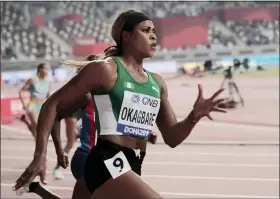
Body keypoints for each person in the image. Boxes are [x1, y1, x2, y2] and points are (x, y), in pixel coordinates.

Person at [14, 10, 226, 199]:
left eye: (154, 31)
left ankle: (35, 189)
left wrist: (193, 118)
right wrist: (40, 155)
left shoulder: (157, 83)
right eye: (145, 30)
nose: (153, 35)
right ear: (127, 36)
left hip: (135, 161)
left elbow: (171, 137)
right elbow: (52, 104)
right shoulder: (106, 70)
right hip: (107, 159)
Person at [21, 54, 158, 199]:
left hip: (111, 158)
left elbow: (121, 128)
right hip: (89, 157)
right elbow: (55, 114)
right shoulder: (86, 97)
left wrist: (146, 135)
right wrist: (59, 150)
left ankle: (37, 189)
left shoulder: (115, 96)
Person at [18, 63, 51, 139]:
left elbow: (48, 94)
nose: (48, 71)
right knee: (36, 124)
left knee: (40, 125)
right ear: (40, 69)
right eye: (46, 69)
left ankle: (25, 121)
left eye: (49, 69)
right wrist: (24, 104)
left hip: (43, 105)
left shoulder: (47, 81)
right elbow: (21, 91)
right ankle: (38, 142)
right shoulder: (32, 80)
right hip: (33, 105)